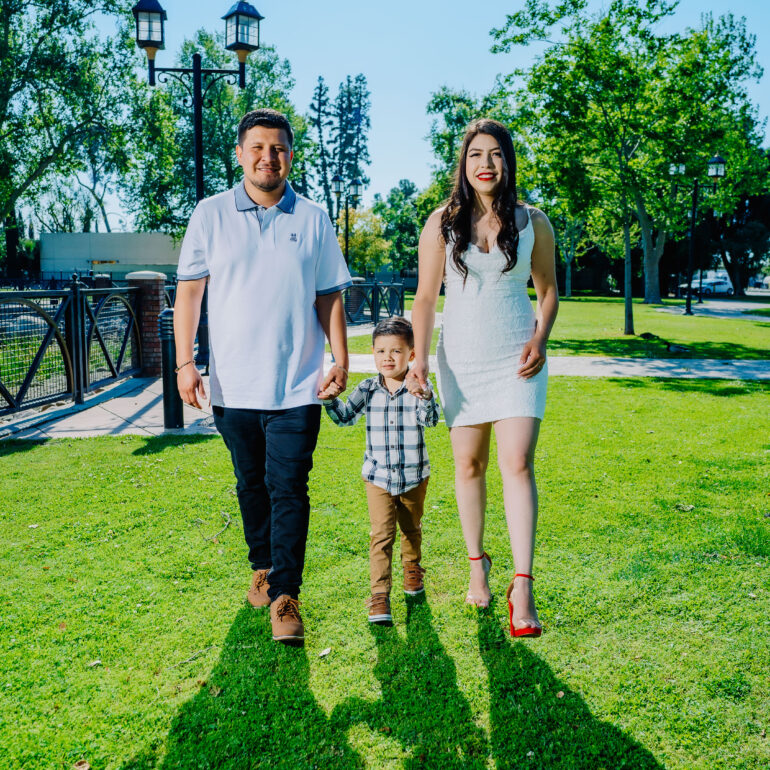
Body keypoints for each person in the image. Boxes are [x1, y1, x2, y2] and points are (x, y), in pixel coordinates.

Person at [174, 108, 352, 646]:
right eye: (257, 147)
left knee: (289, 487)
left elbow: (329, 296)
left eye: (278, 148)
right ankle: (262, 566)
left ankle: (286, 595)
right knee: (251, 484)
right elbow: (189, 294)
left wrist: (340, 358)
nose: (267, 157)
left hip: (298, 385)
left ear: (290, 156)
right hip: (233, 385)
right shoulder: (209, 214)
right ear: (239, 154)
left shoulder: (314, 218)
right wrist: (185, 362)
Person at [406, 118, 558, 638]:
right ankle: (478, 565)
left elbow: (548, 292)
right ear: (464, 164)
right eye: (476, 155)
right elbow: (424, 299)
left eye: (495, 154)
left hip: (518, 359)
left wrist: (540, 338)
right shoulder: (441, 222)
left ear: (508, 162)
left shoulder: (533, 221)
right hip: (462, 361)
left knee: (517, 462)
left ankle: (524, 585)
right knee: (469, 465)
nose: (486, 164)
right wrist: (418, 359)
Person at [321, 317, 439, 626]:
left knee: (411, 529)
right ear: (373, 352)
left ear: (411, 354)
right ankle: (379, 596)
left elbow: (431, 420)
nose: (388, 358)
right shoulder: (367, 388)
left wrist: (425, 395)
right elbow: (346, 417)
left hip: (414, 476)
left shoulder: (419, 386)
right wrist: (331, 401)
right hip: (378, 478)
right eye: (381, 351)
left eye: (396, 351)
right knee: (381, 536)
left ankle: (412, 571)